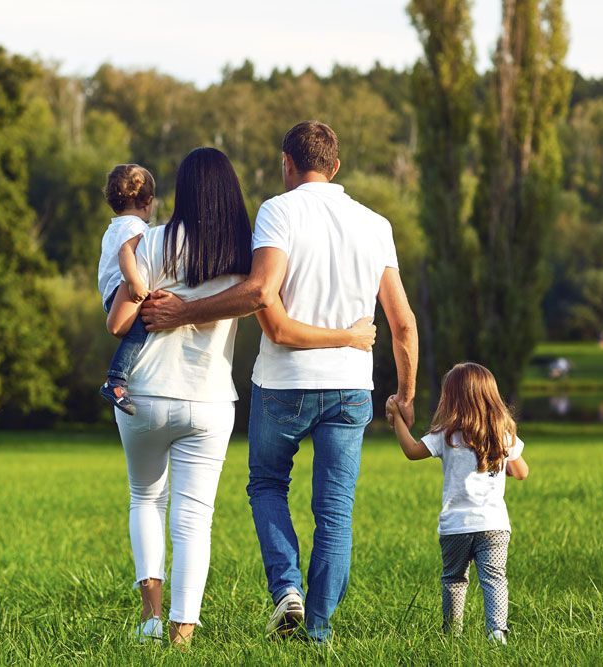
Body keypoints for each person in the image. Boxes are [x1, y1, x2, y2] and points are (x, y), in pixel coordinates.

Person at [140, 121, 419, 642]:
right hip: (351, 387)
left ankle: (287, 591)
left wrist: (182, 312)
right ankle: (317, 632)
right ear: (335, 167)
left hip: (283, 384)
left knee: (267, 485)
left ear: (287, 163)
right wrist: (405, 394)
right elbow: (402, 323)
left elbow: (260, 292)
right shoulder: (375, 224)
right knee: (335, 511)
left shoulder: (278, 211)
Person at [385, 362, 530, 645]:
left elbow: (413, 452)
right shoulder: (503, 434)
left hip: (456, 527)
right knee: (494, 579)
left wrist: (397, 420)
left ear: (450, 398)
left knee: (454, 579)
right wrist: (501, 462)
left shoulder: (447, 434)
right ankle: (497, 633)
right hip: (494, 526)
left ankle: (452, 634)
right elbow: (521, 472)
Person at [97, 164, 155, 415]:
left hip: (110, 294)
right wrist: (134, 282)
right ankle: (116, 380)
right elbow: (126, 254)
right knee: (139, 330)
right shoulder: (136, 228)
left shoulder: (114, 227)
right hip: (122, 290)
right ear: (148, 201)